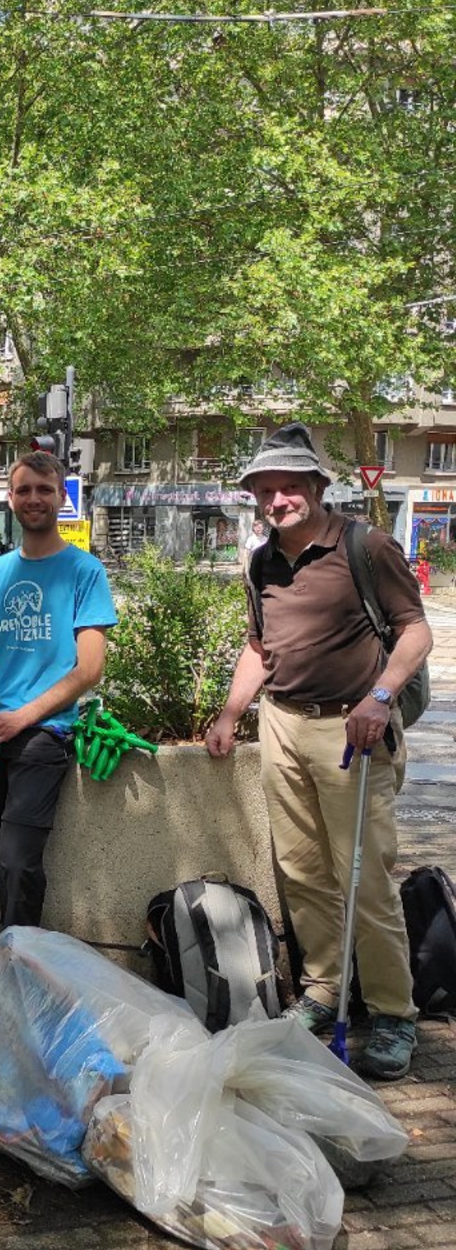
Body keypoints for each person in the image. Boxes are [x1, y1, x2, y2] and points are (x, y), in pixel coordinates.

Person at [205, 422, 433, 1080]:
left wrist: (380, 697)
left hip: (351, 731)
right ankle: (324, 989)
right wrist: (231, 713)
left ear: (315, 486)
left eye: (288, 487)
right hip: (281, 723)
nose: (275, 500)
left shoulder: (366, 545)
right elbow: (259, 647)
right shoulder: (260, 561)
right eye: (263, 490)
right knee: (301, 872)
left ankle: (392, 1012)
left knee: (363, 877)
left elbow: (415, 632)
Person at [0, 452, 117, 971]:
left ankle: (17, 972)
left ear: (61, 497)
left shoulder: (84, 571)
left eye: (44, 489)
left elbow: (88, 669)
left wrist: (21, 718)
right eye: (24, 490)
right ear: (10, 498)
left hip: (43, 735)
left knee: (18, 863)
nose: (34, 499)